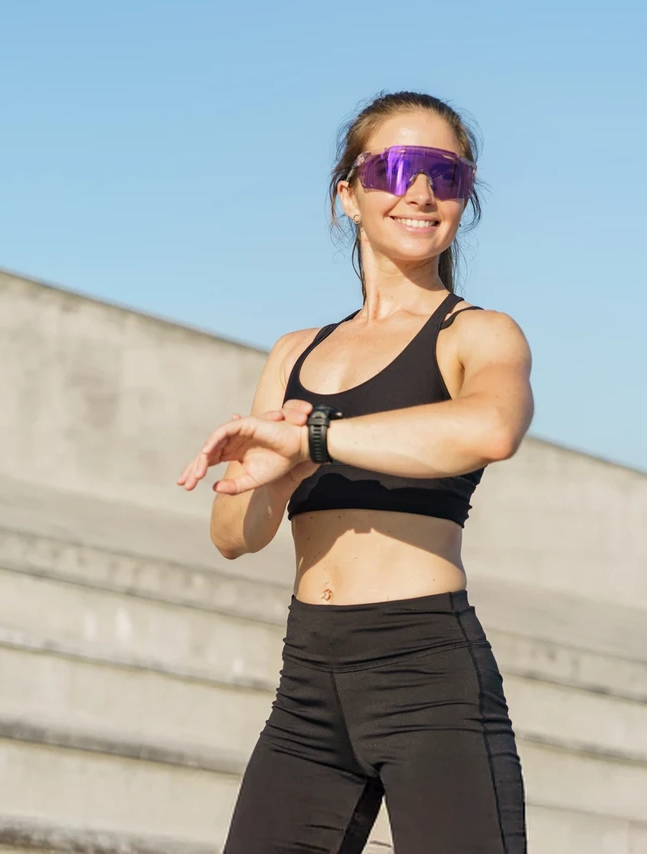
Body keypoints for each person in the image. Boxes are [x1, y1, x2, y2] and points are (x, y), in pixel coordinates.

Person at [176, 91, 533, 854]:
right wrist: (267, 477)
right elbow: (233, 537)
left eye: (447, 174)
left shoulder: (476, 334)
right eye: (398, 167)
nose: (422, 193)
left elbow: (490, 429)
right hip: (308, 682)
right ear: (348, 193)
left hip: (427, 677)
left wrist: (313, 437)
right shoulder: (294, 351)